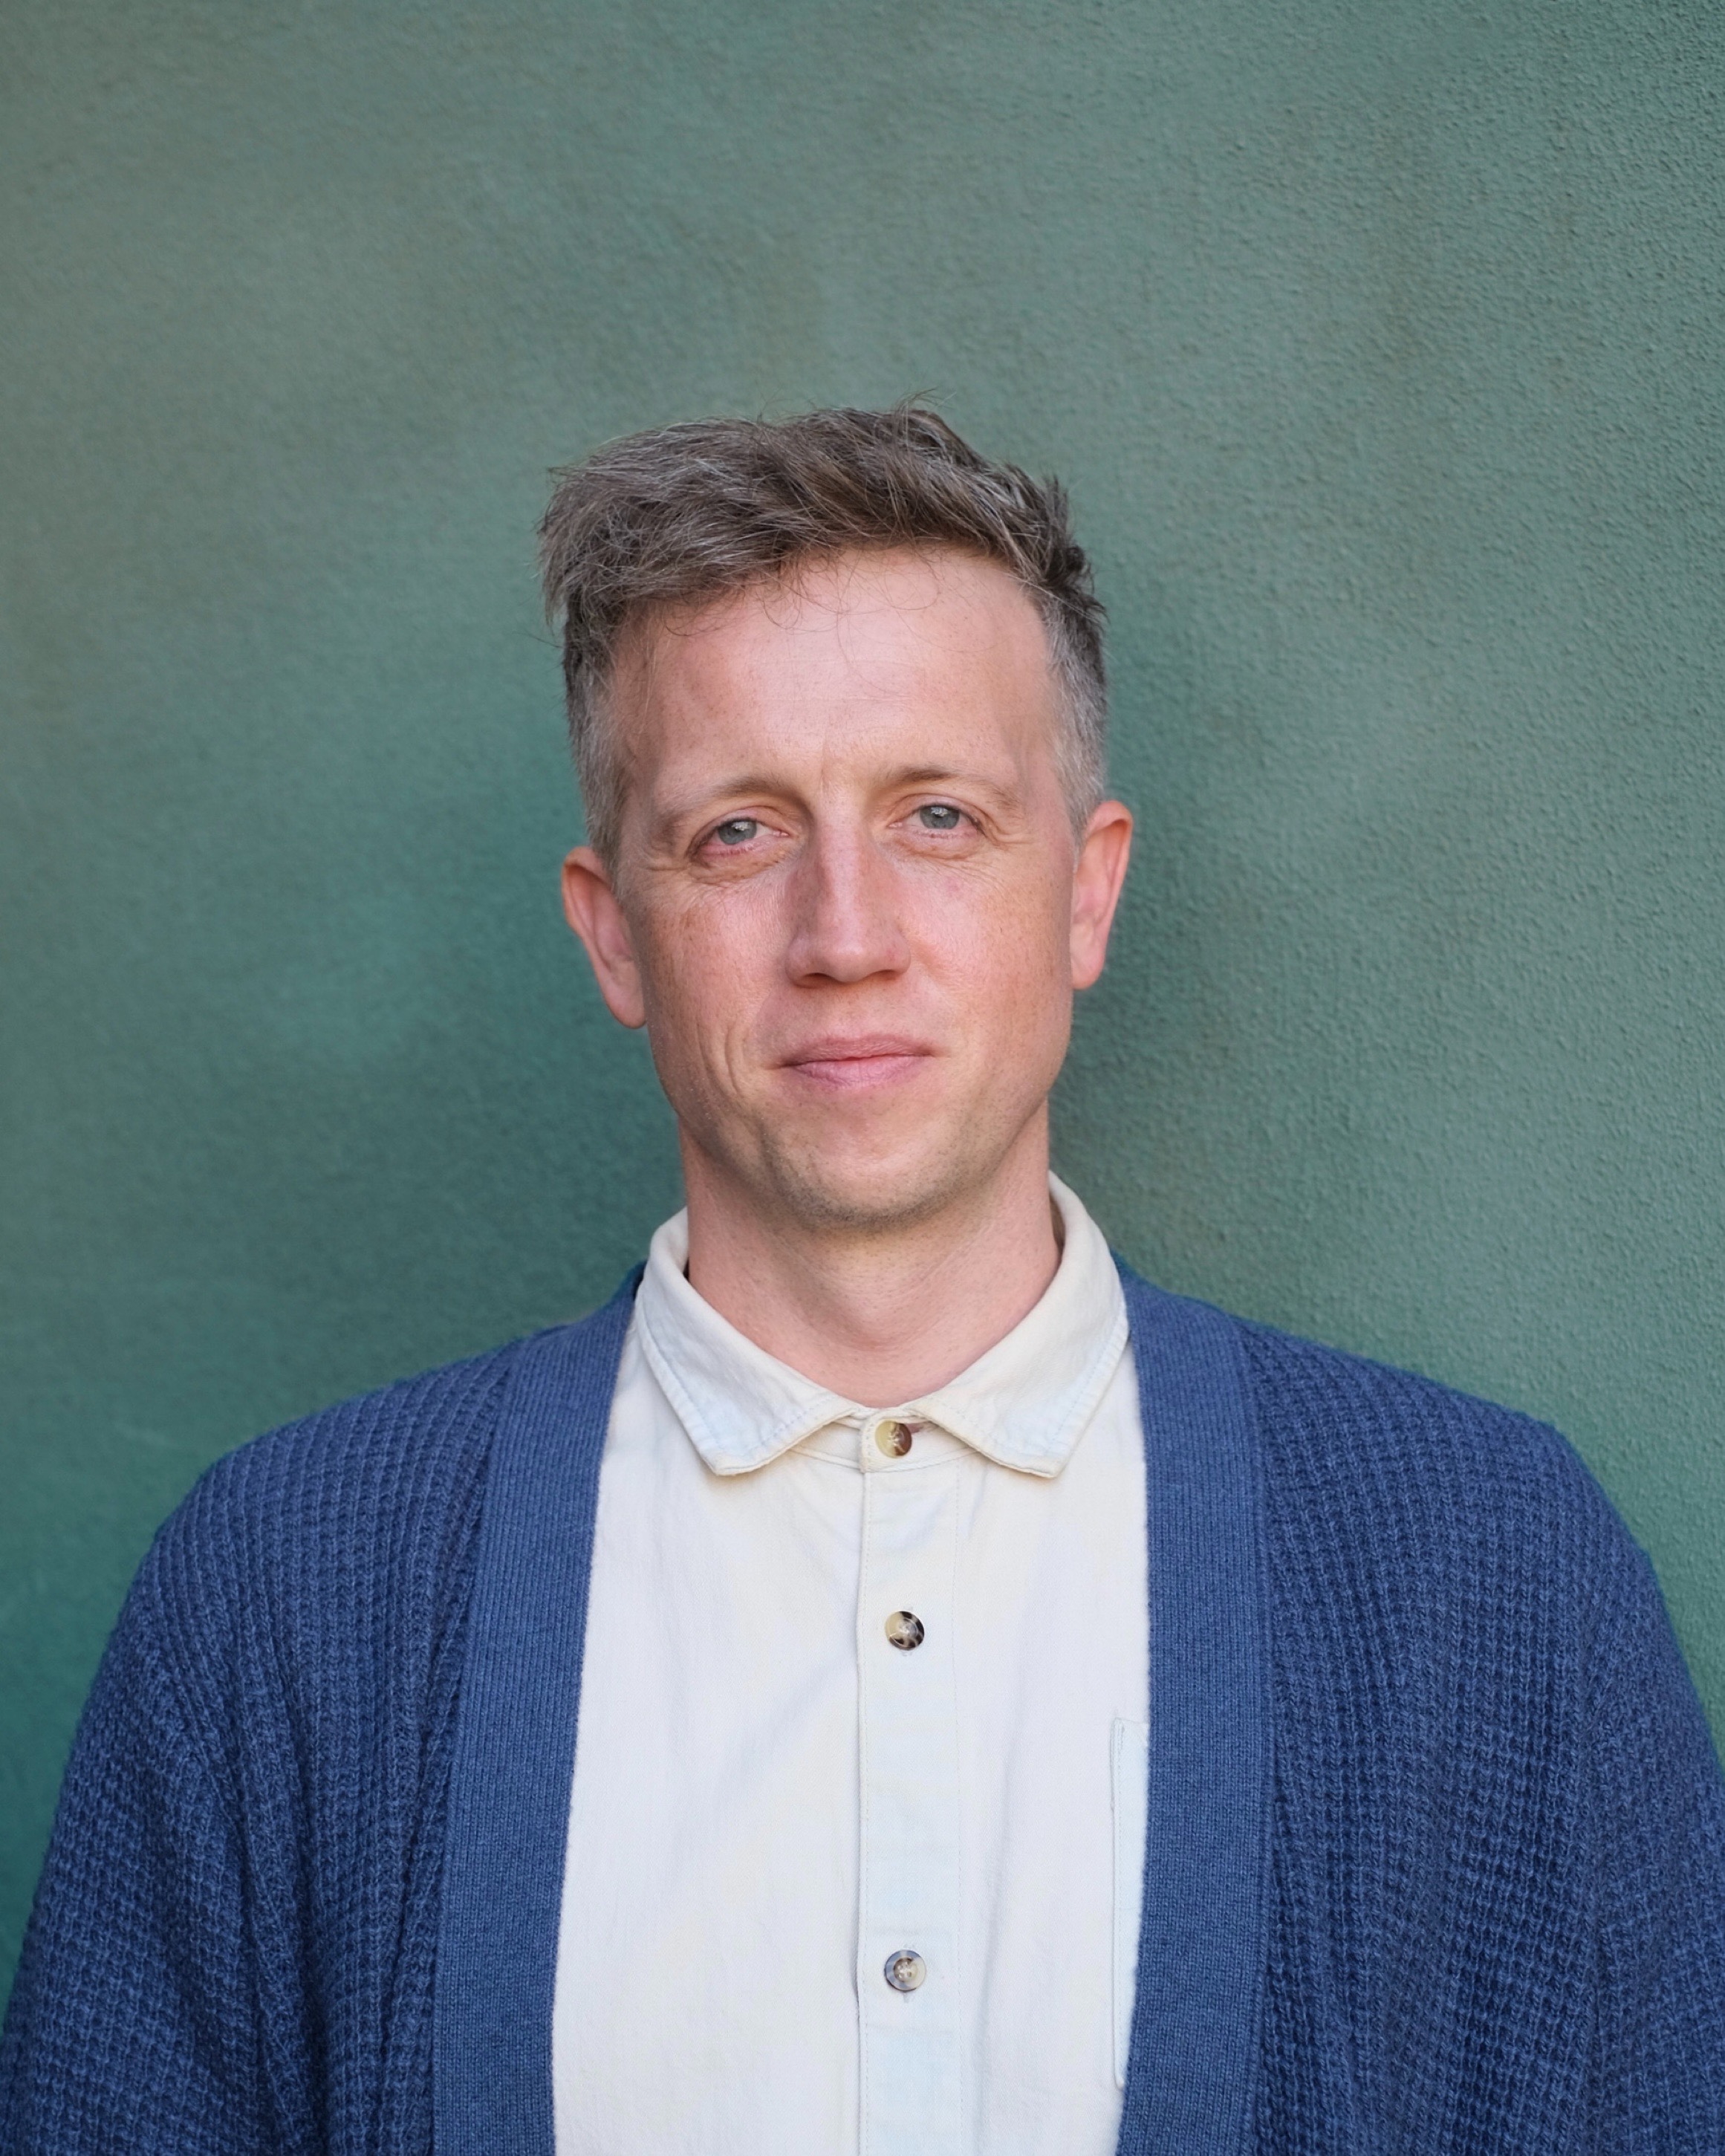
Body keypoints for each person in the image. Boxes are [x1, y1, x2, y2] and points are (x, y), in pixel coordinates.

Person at [2, 406, 1721, 2156]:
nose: (845, 934)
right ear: (612, 929)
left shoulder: (1496, 1575)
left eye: (940, 816)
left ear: (1088, 892)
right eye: (739, 832)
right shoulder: (277, 1599)